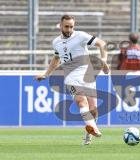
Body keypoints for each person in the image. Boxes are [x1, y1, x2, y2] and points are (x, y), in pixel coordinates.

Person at [35, 15, 109, 145]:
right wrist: (46, 74)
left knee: (94, 109)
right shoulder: (56, 42)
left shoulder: (81, 36)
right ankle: (95, 129)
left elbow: (102, 44)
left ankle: (89, 133)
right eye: (66, 26)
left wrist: (103, 60)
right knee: (81, 102)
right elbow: (56, 59)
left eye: (71, 27)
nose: (69, 29)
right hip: (71, 77)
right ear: (61, 25)